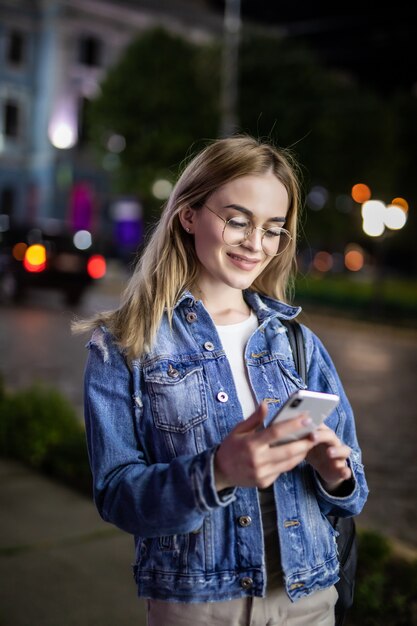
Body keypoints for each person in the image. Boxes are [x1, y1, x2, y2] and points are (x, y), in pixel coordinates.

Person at [74, 135, 368, 626]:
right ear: (188, 215)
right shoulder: (125, 344)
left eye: (274, 229)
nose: (256, 244)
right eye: (238, 221)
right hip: (197, 603)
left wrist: (335, 472)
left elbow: (354, 489)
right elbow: (117, 495)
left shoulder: (298, 343)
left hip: (310, 598)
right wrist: (217, 471)